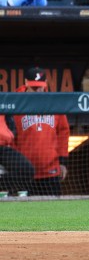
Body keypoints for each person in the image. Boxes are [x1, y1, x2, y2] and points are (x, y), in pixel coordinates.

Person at [11, 67, 70, 196]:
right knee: (24, 214)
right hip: (24, 172)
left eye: (40, 87)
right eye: (34, 87)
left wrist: (63, 162)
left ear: (46, 83)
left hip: (50, 170)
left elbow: (63, 133)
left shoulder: (54, 103)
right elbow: (10, 137)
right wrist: (14, 164)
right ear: (26, 83)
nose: (38, 90)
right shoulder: (15, 103)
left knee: (52, 212)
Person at [0, 114, 35, 195]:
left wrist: (10, 134)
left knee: (27, 170)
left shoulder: (4, 102)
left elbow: (10, 123)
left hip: (3, 147)